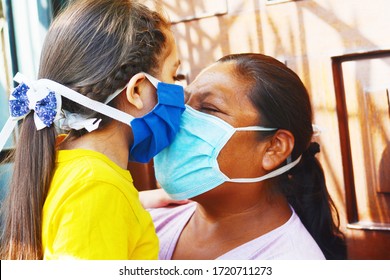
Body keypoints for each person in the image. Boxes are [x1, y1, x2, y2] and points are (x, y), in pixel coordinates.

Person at [0, 0, 184, 260]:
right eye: (174, 76)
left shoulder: (65, 160)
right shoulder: (97, 188)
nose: (182, 92)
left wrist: (135, 203)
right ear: (137, 90)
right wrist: (112, 198)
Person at [147, 53, 347, 260]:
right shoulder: (147, 220)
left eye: (208, 109)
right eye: (184, 102)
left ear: (274, 148)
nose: (178, 119)